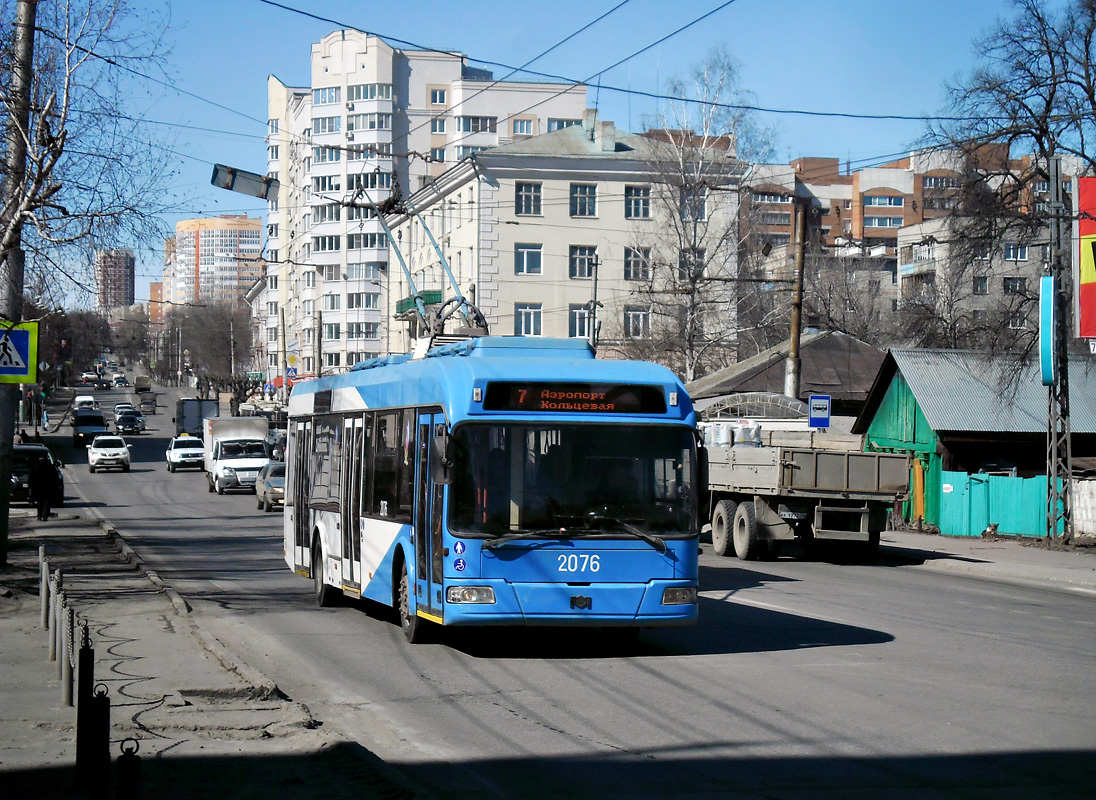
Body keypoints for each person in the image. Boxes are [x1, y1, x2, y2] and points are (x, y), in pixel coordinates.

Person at [30, 455, 60, 521]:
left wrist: (31, 486)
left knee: (39, 502)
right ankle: (45, 515)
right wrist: (56, 485)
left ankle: (39, 515)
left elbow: (31, 477)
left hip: (38, 487)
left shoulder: (36, 466)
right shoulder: (50, 466)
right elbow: (56, 477)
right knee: (47, 502)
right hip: (48, 487)